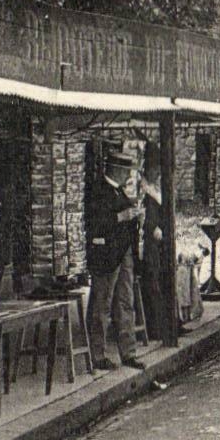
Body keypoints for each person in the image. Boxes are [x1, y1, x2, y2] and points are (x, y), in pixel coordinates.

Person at [86, 151, 144, 371]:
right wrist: (122, 217)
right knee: (102, 305)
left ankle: (128, 352)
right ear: (116, 170)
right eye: (126, 171)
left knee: (125, 303)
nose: (128, 176)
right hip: (106, 257)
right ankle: (98, 354)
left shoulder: (118, 191)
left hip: (123, 254)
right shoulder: (98, 190)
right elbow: (94, 222)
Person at [138, 156, 166, 342]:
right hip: (148, 245)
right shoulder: (143, 191)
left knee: (162, 283)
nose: (157, 173)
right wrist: (152, 228)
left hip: (159, 244)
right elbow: (143, 219)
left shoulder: (155, 189)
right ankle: (155, 327)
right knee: (152, 285)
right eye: (154, 169)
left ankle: (166, 324)